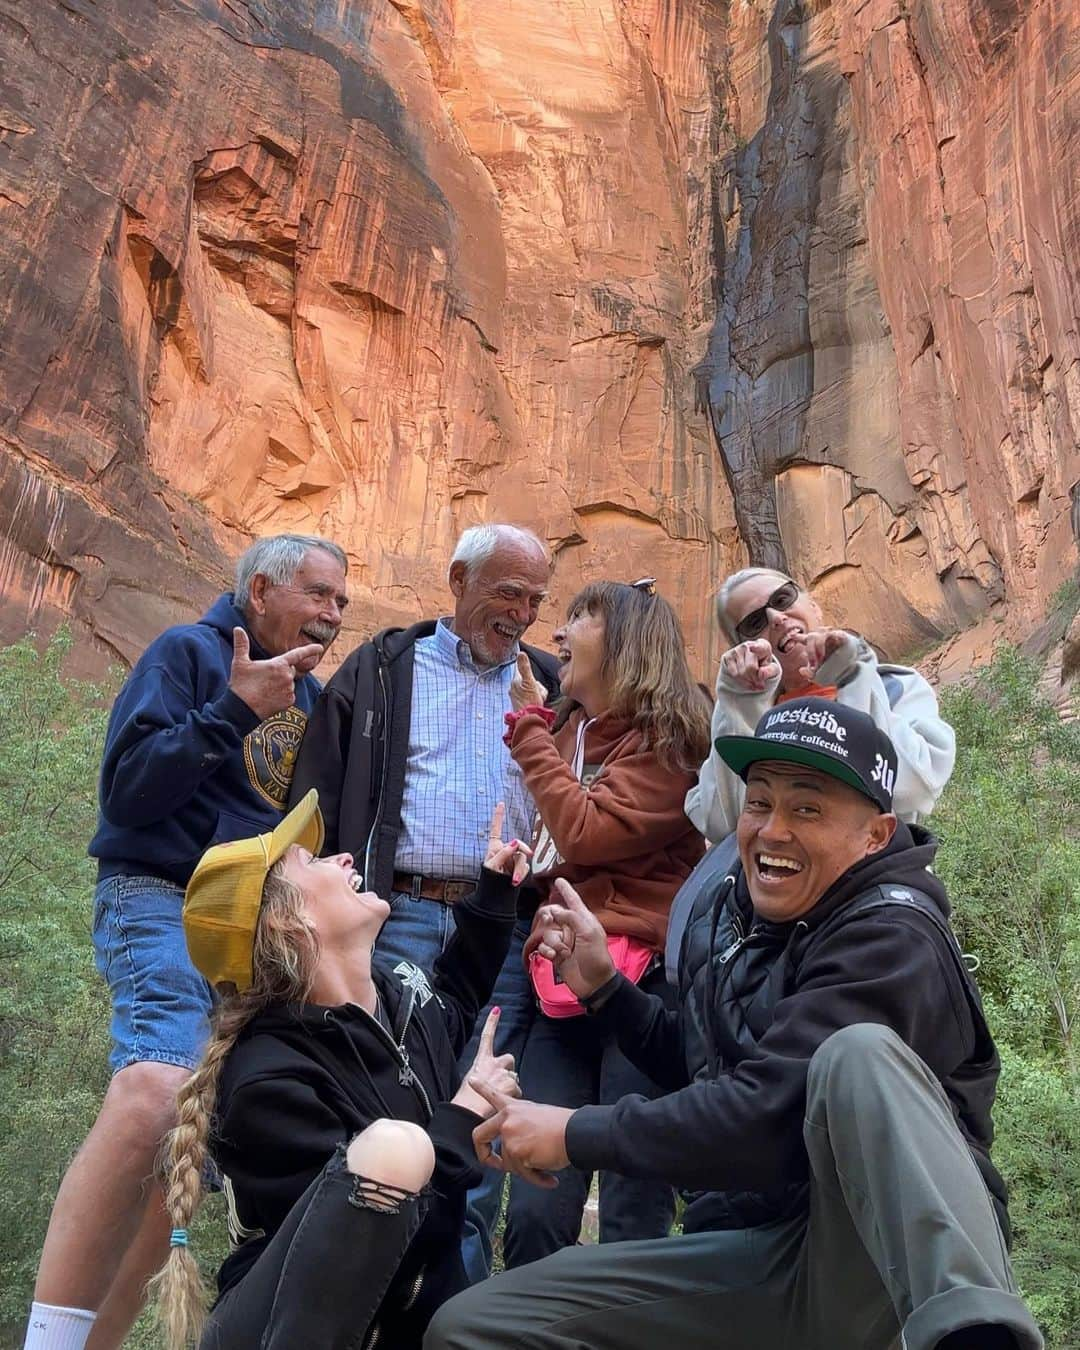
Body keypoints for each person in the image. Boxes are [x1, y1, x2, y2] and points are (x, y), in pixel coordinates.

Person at [426, 699, 1043, 1350]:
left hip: (874, 1253)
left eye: (807, 809)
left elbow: (765, 1115)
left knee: (858, 1055)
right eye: (759, 803)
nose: (772, 831)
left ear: (875, 835)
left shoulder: (893, 933)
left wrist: (573, 1133)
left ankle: (978, 1336)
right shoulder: (737, 914)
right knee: (475, 1326)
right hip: (760, 1252)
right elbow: (713, 1069)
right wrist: (607, 989)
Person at [24, 534, 349, 1350]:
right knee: (156, 1088)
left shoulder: (309, 700)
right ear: (263, 590)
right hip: (157, 897)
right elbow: (128, 797)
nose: (333, 614)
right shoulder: (187, 654)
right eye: (319, 594)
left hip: (242, 937)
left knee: (190, 1158)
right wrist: (233, 708)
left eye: (342, 601)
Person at [151, 790, 531, 1350]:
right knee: (391, 1151)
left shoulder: (396, 987)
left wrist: (495, 893)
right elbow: (377, 1252)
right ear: (289, 922)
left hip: (424, 1320)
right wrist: (462, 1118)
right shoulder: (267, 1082)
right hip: (307, 1334)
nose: (343, 858)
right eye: (314, 861)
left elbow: (448, 1007)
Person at [289, 522, 558, 1279]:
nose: (524, 614)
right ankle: (387, 1289)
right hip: (397, 915)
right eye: (509, 593)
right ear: (458, 579)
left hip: (504, 928)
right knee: (397, 1100)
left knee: (489, 1102)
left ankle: (458, 1302)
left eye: (537, 600)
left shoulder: (546, 683)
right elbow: (315, 794)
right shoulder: (381, 668)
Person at [498, 579, 710, 1267]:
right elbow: (561, 844)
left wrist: (528, 731)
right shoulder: (566, 729)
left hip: (642, 989)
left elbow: (588, 833)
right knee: (532, 1204)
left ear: (624, 641)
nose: (560, 634)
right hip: (558, 981)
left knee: (633, 1199)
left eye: (580, 617)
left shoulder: (673, 738)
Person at [685, 566, 955, 842]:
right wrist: (739, 701)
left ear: (813, 606)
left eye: (782, 599)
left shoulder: (895, 688)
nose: (776, 618)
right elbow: (721, 823)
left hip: (873, 876)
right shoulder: (744, 716)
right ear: (742, 646)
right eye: (755, 623)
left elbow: (915, 788)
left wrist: (853, 676)